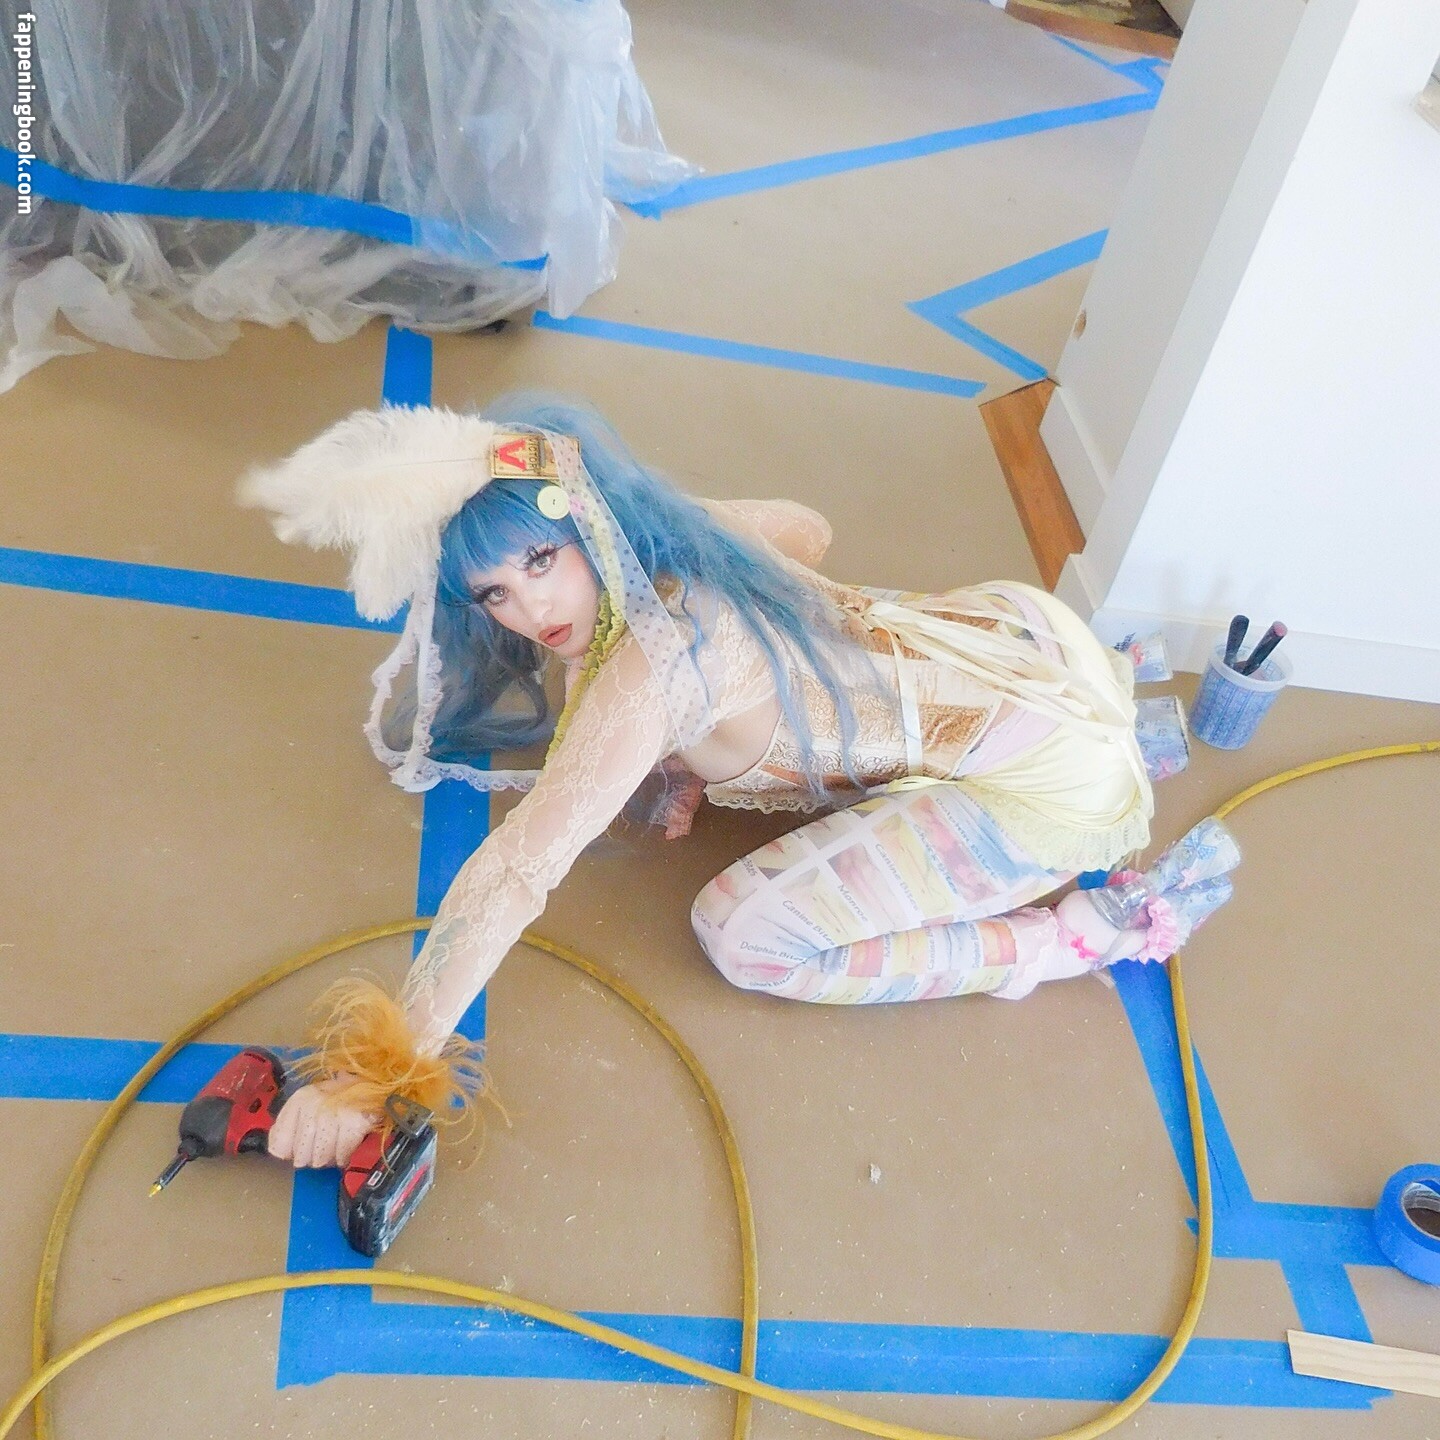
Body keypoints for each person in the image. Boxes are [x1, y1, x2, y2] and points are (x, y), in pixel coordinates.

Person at [239, 396, 1238, 1169]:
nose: (531, 609)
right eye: (495, 592)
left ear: (590, 521)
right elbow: (808, 528)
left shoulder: (655, 665)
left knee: (750, 936)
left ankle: (1070, 939)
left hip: (1045, 777)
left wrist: (373, 1073)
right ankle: (1101, 727)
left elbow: (518, 869)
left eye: (543, 559)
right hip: (1023, 639)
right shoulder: (666, 557)